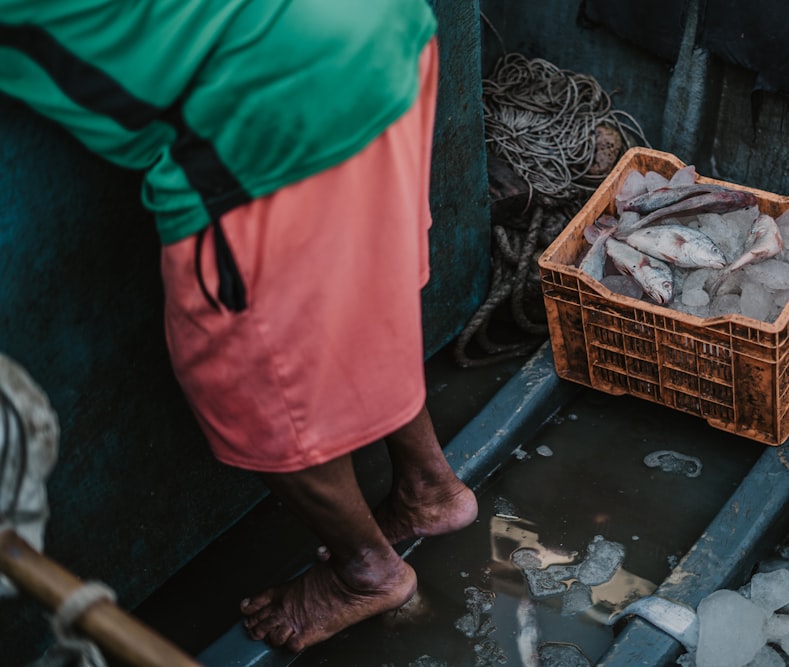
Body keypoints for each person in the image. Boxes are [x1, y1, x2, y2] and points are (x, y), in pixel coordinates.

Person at [0, 0, 478, 653]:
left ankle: (366, 570)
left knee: (256, 383)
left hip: (272, 93)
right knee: (363, 289)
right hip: (382, 27)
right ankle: (430, 487)